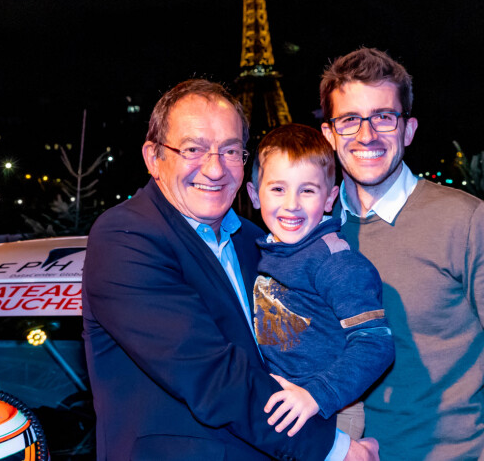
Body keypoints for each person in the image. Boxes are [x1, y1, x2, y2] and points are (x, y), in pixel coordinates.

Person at [82, 78, 379, 461]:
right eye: (193, 149)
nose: (214, 168)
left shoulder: (257, 240)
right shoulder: (125, 237)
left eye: (231, 151)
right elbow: (211, 375)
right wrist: (336, 449)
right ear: (154, 157)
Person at [319, 47, 484, 460]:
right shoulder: (315, 230)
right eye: (350, 120)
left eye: (383, 117)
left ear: (408, 130)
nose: (366, 135)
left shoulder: (465, 223)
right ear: (329, 134)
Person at [246, 123, 395, 440]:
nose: (291, 204)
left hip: (333, 410)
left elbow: (375, 343)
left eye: (307, 190)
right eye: (277, 189)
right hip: (286, 404)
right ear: (254, 195)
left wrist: (316, 395)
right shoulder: (265, 252)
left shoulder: (336, 261)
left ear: (330, 198)